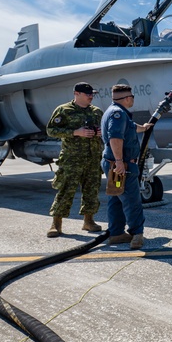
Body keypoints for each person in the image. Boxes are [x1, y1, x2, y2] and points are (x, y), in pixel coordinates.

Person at [45, 81, 104, 237]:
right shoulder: (64, 110)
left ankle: (89, 221)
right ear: (76, 94)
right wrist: (75, 132)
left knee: (92, 190)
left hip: (93, 157)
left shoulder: (97, 112)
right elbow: (51, 130)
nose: (91, 97)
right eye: (88, 94)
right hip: (72, 158)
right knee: (66, 190)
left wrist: (100, 132)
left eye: (92, 94)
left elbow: (105, 130)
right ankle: (56, 224)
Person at [100, 84, 153, 250]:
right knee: (131, 200)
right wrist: (120, 162)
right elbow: (115, 138)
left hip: (113, 165)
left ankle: (116, 234)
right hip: (121, 167)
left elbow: (128, 128)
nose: (133, 100)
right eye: (132, 97)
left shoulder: (114, 111)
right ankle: (137, 235)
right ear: (127, 98)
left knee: (116, 197)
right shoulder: (118, 114)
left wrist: (143, 128)